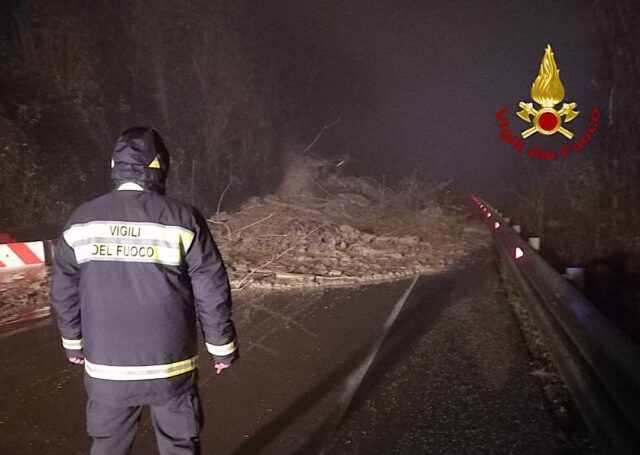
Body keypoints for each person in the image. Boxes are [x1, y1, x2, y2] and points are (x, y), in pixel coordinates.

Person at [50, 127, 238, 455]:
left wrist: (73, 344)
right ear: (160, 166)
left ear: (115, 166)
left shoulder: (82, 220)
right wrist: (220, 347)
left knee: (108, 445)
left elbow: (64, 290)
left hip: (107, 367)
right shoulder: (182, 219)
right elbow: (211, 287)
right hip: (171, 368)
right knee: (180, 444)